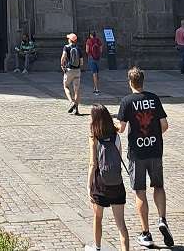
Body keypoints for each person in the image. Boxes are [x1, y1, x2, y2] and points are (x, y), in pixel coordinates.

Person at [116, 67, 174, 249]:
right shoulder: (154, 99)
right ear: (143, 81)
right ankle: (162, 219)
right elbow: (164, 125)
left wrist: (111, 126)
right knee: (159, 186)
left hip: (137, 153)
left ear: (130, 82)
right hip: (155, 150)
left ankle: (146, 233)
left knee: (139, 191)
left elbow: (122, 128)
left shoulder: (126, 102)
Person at [87, 103, 130, 251]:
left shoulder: (94, 137)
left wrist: (89, 185)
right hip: (117, 183)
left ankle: (97, 247)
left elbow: (93, 164)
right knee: (121, 225)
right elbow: (119, 156)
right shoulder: (116, 136)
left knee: (98, 218)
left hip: (100, 184)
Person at [61, 32, 83, 115]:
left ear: (70, 40)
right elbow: (81, 62)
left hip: (69, 70)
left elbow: (63, 57)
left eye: (68, 38)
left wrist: (62, 65)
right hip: (77, 71)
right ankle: (76, 109)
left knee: (66, 86)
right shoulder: (79, 49)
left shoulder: (66, 47)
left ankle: (71, 102)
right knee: (77, 90)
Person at [86, 30, 104, 94]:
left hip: (91, 58)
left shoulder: (89, 41)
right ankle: (95, 86)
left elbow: (87, 50)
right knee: (97, 73)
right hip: (98, 58)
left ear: (90, 35)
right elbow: (101, 50)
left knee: (94, 73)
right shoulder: (98, 40)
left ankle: (96, 88)